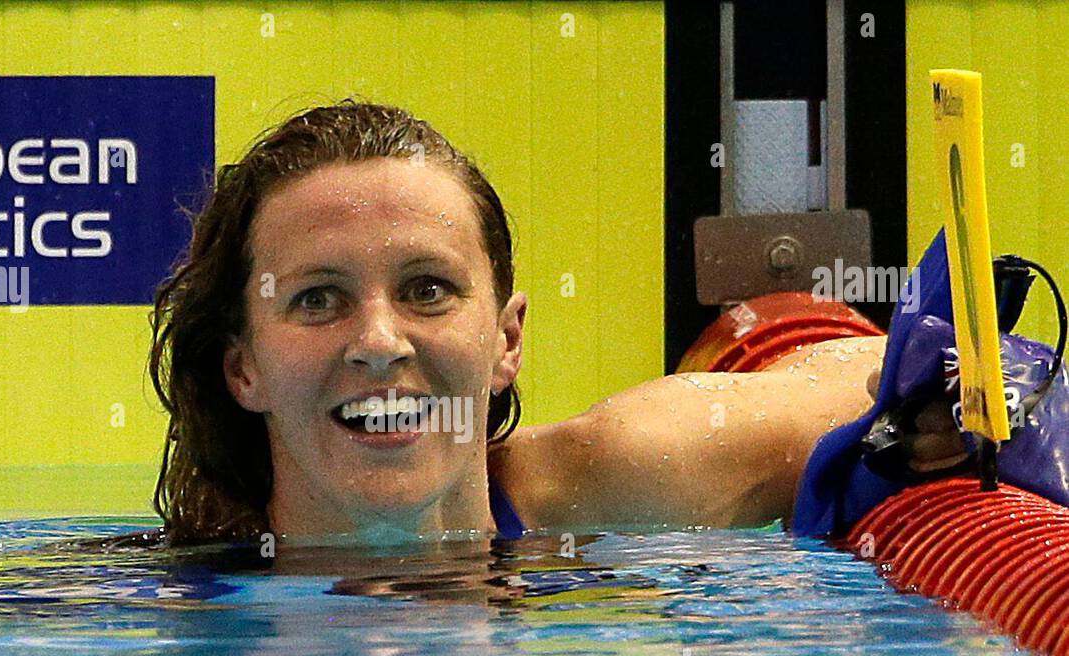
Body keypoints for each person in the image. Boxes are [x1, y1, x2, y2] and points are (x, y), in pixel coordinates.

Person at [146, 99, 965, 547]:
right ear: (241, 367)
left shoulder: (617, 477)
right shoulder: (153, 607)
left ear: (506, 339)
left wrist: (945, 397)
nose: (379, 342)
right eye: (318, 299)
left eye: (427, 290)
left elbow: (876, 369)